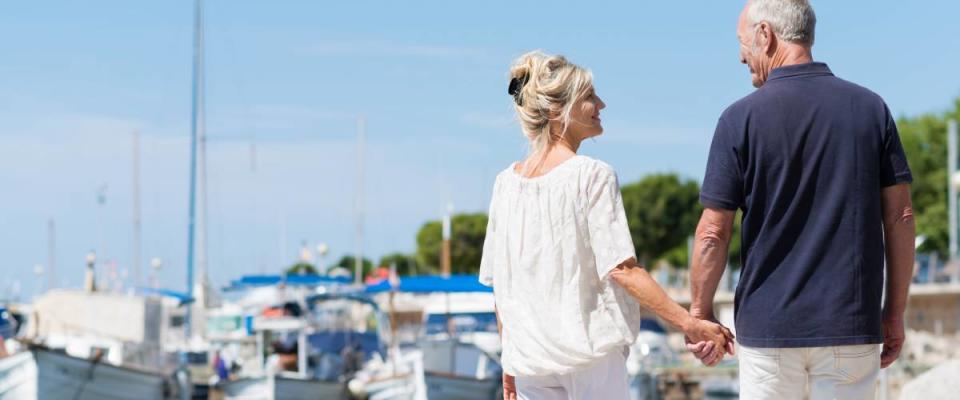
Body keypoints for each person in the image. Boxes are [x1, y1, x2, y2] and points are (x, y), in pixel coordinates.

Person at [686, 1, 915, 398]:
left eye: (743, 44)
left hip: (769, 330)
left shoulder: (738, 120)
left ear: (765, 35)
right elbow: (901, 217)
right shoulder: (870, 109)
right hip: (850, 325)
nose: (741, 56)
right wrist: (894, 312)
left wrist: (700, 314)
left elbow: (712, 233)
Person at [479, 50, 734, 400]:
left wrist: (510, 363)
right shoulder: (592, 176)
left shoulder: (505, 184)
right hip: (590, 357)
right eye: (589, 97)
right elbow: (622, 270)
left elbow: (503, 289)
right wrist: (689, 324)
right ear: (558, 111)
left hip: (530, 363)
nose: (602, 104)